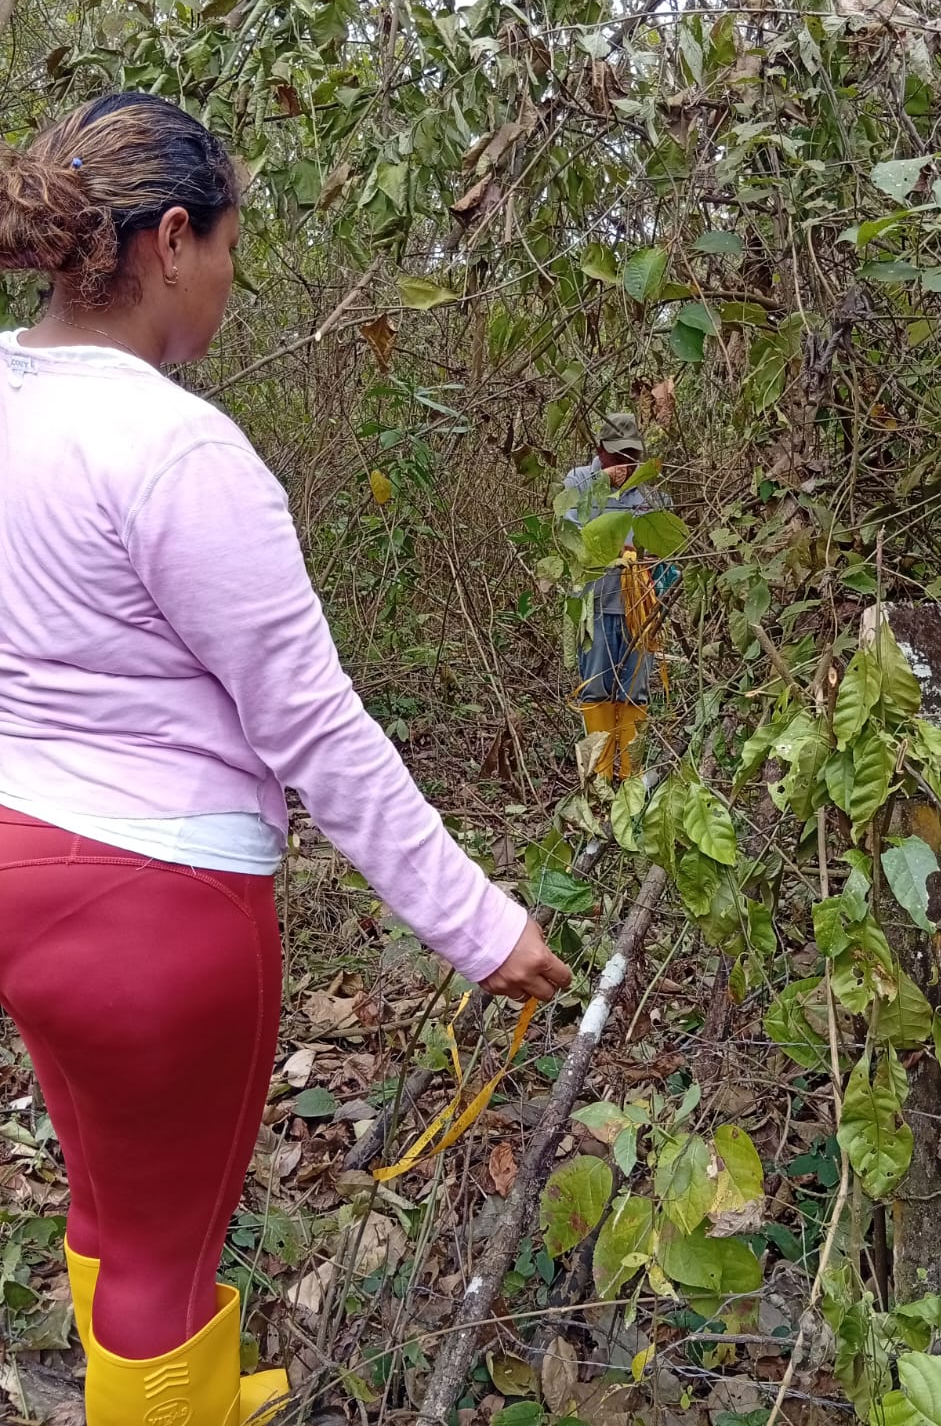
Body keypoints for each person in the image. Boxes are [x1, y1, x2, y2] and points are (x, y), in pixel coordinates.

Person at [0, 91, 570, 1426]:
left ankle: (181, 1388)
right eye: (228, 251)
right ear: (171, 239)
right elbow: (312, 725)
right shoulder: (178, 453)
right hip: (157, 908)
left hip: (19, 867)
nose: (229, 283)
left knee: (113, 1192)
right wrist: (476, 922)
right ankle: (168, 1395)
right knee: (163, 1249)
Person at [562, 413, 669, 782]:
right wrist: (600, 485)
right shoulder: (578, 481)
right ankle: (599, 778)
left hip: (639, 608)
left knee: (635, 691)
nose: (624, 465)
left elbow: (663, 550)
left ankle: (631, 777)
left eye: (631, 457)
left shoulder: (650, 496)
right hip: (595, 604)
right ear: (600, 451)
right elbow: (573, 536)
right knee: (595, 688)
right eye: (616, 456)